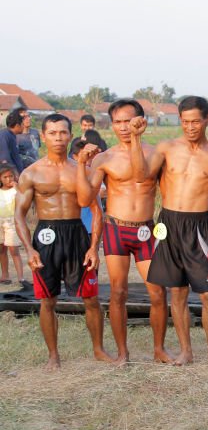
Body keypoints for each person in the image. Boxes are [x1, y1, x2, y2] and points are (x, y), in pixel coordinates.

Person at [131, 96, 208, 366]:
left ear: (207, 120)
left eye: (196, 121)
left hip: (199, 226)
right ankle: (185, 351)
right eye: (185, 121)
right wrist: (135, 138)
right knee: (176, 292)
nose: (190, 127)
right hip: (168, 224)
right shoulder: (167, 148)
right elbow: (141, 175)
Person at [76, 99, 171, 364]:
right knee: (118, 292)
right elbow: (85, 200)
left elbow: (145, 179)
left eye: (128, 121)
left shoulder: (155, 154)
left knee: (157, 292)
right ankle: (122, 352)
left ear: (141, 121)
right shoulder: (104, 159)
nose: (123, 127)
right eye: (117, 122)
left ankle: (159, 349)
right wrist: (83, 165)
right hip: (116, 229)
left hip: (146, 230)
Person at [14, 114, 110, 370]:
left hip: (77, 232)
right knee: (48, 300)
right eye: (53, 133)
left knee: (91, 298)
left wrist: (93, 247)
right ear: (43, 136)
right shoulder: (31, 173)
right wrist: (29, 249)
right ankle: (53, 355)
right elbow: (19, 215)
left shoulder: (83, 169)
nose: (58, 138)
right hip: (46, 236)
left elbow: (97, 211)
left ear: (71, 135)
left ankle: (99, 349)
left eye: (63, 132)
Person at [0, 164, 26, 286]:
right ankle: (5, 275)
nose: (8, 179)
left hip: (11, 221)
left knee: (14, 249)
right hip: (0, 221)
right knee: (1, 250)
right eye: (5, 177)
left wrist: (17, 188)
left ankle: (21, 277)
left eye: (11, 176)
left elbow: (24, 201)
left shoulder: (17, 190)